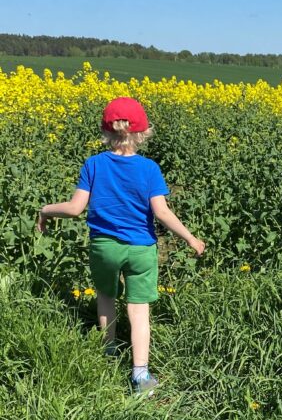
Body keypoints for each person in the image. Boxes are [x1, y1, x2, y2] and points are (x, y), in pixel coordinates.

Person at [36, 97, 205, 396]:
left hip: (104, 247)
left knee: (106, 296)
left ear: (106, 131)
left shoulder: (94, 164)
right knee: (139, 310)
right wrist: (190, 238)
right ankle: (140, 375)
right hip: (141, 250)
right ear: (143, 133)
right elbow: (162, 212)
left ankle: (109, 352)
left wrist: (45, 210)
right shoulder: (149, 168)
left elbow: (75, 208)